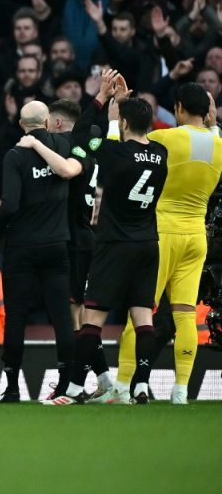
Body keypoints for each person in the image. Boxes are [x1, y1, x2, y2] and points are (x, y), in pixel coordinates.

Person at [51, 93, 166, 404]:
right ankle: (141, 385)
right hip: (148, 245)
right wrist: (124, 113)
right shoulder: (161, 152)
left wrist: (104, 102)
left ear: (124, 123)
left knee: (93, 319)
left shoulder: (114, 152)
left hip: (115, 245)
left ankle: (74, 389)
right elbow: (137, 144)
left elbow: (80, 133)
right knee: (143, 318)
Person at [112, 81, 219, 405]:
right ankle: (181, 391)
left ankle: (121, 385)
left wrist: (119, 107)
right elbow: (212, 132)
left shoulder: (167, 138)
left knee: (142, 310)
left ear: (179, 109)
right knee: (186, 314)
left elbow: (123, 145)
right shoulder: (219, 146)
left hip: (162, 233)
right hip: (197, 236)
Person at [0, 100, 82, 402]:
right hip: (56, 244)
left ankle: (11, 387)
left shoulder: (15, 156)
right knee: (61, 315)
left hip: (21, 247)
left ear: (22, 125)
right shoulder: (63, 143)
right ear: (48, 121)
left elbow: (9, 205)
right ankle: (64, 385)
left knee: (16, 317)